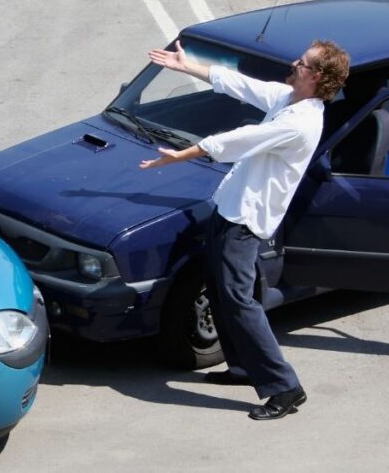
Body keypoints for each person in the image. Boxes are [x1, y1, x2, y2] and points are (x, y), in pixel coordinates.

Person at [139, 39, 350, 420]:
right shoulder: (289, 98)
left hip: (246, 221)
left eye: (301, 62)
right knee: (223, 292)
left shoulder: (299, 122)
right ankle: (241, 367)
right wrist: (187, 67)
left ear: (316, 76)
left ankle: (285, 388)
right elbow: (240, 83)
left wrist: (183, 154)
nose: (292, 63)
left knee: (238, 300)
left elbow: (241, 139)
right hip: (231, 209)